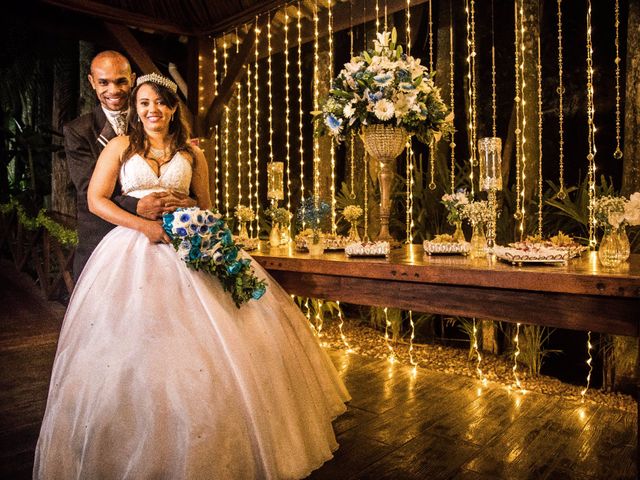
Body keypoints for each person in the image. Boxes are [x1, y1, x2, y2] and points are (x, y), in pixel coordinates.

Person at [34, 73, 349, 479]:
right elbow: (95, 200)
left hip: (191, 249)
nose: (153, 110)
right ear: (136, 107)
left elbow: (207, 202)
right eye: (145, 102)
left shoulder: (193, 153)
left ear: (172, 108)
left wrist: (190, 205)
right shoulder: (120, 146)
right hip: (133, 251)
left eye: (162, 103)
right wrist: (143, 225)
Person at [64, 50, 194, 281]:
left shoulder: (152, 119)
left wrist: (189, 201)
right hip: (103, 237)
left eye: (121, 81)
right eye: (103, 82)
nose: (113, 90)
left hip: (166, 240)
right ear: (92, 82)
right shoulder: (78, 131)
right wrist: (139, 207)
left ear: (132, 79)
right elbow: (88, 192)